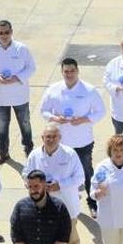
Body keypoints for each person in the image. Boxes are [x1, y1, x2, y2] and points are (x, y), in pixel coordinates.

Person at [40, 57, 106, 217]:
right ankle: (70, 195)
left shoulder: (89, 90)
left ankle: (92, 203)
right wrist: (56, 118)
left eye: (72, 71)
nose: (69, 74)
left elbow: (100, 111)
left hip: (82, 141)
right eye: (66, 71)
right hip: (60, 143)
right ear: (62, 72)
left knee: (86, 172)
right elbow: (43, 110)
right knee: (63, 172)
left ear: (78, 71)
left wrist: (84, 119)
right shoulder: (53, 89)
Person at [22, 124, 90, 244]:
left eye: (54, 136)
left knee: (71, 237)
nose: (51, 139)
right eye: (48, 137)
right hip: (43, 205)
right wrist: (34, 185)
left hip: (66, 205)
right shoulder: (34, 155)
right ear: (42, 138)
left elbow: (80, 177)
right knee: (46, 238)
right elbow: (26, 174)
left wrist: (60, 185)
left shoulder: (70, 154)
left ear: (59, 138)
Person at [0, 20, 36, 165]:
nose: (4, 36)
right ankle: (3, 153)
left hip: (19, 94)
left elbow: (31, 67)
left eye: (7, 32)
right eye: (1, 33)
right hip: (0, 95)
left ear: (11, 31)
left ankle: (29, 149)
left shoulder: (22, 49)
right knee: (2, 125)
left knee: (25, 123)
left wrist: (17, 77)